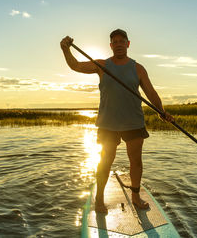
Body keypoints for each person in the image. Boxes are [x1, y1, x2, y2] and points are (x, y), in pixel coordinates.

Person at [60, 29, 174, 213]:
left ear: (128, 44)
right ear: (111, 45)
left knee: (136, 161)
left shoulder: (138, 68)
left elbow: (151, 92)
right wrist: (65, 49)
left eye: (122, 41)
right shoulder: (102, 65)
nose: (119, 44)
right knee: (105, 161)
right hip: (108, 124)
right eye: (115, 41)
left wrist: (162, 111)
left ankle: (135, 197)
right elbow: (76, 66)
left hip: (133, 122)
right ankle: (99, 200)